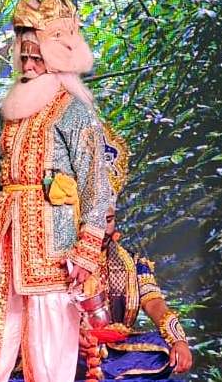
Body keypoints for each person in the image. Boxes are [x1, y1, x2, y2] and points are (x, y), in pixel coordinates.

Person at [0, 0, 112, 382]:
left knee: (50, 331)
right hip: (4, 239)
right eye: (23, 57)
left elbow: (96, 185)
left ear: (55, 58)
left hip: (55, 244)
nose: (27, 65)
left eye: (36, 57)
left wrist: (87, 250)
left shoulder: (74, 111)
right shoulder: (4, 116)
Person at [76, 127, 193, 379]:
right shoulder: (60, 260)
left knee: (161, 351)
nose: (101, 230)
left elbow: (154, 302)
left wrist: (178, 340)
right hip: (68, 350)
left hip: (116, 351)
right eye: (92, 222)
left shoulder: (131, 261)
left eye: (108, 220)